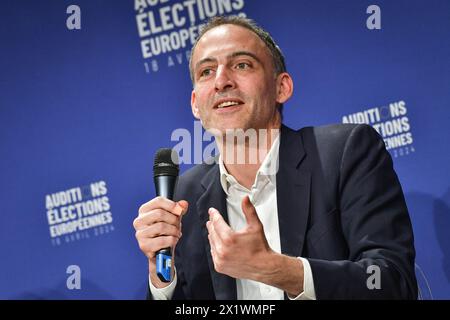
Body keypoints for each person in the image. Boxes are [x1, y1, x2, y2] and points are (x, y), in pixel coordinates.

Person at [133, 16, 417, 300]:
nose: (221, 81)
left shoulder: (344, 153)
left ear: (282, 87)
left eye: (242, 65)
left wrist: (277, 270)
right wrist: (161, 277)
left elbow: (391, 283)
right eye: (206, 71)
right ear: (196, 104)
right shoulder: (184, 196)